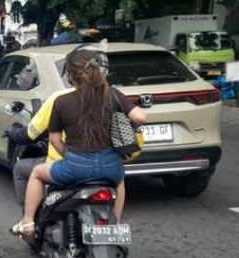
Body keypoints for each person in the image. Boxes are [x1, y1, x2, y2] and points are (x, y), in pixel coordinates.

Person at [11, 48, 146, 237]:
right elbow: (141, 117)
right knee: (119, 180)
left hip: (74, 167)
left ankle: (27, 222)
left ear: (70, 76)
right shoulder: (113, 94)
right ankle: (113, 224)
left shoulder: (61, 101)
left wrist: (71, 156)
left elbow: (55, 140)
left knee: (35, 173)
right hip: (110, 167)